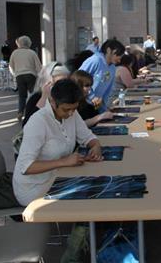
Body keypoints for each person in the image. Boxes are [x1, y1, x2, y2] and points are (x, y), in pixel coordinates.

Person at [13, 78, 102, 263]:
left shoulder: (71, 113)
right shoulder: (38, 122)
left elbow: (88, 136)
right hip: (33, 187)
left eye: (74, 109)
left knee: (93, 187)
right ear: (53, 102)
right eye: (66, 109)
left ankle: (84, 237)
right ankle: (72, 253)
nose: (70, 114)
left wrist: (95, 146)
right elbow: (26, 167)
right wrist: (63, 162)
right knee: (88, 197)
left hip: (57, 175)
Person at [78, 39, 125, 113]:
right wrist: (92, 97)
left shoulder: (112, 68)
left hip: (98, 106)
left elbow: (108, 89)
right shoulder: (95, 60)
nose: (119, 60)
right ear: (109, 50)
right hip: (85, 104)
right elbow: (78, 78)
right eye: (118, 55)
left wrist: (105, 108)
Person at [22, 62, 71, 127]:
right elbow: (26, 125)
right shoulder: (36, 98)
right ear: (47, 82)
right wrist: (44, 98)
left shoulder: (69, 97)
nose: (63, 87)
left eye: (66, 82)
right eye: (58, 83)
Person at [9, 35, 43, 121]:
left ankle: (20, 112)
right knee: (33, 94)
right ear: (29, 43)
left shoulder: (14, 53)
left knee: (22, 96)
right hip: (30, 75)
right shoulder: (32, 53)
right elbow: (39, 66)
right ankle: (33, 111)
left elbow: (11, 66)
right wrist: (40, 76)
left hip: (19, 76)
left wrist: (15, 74)